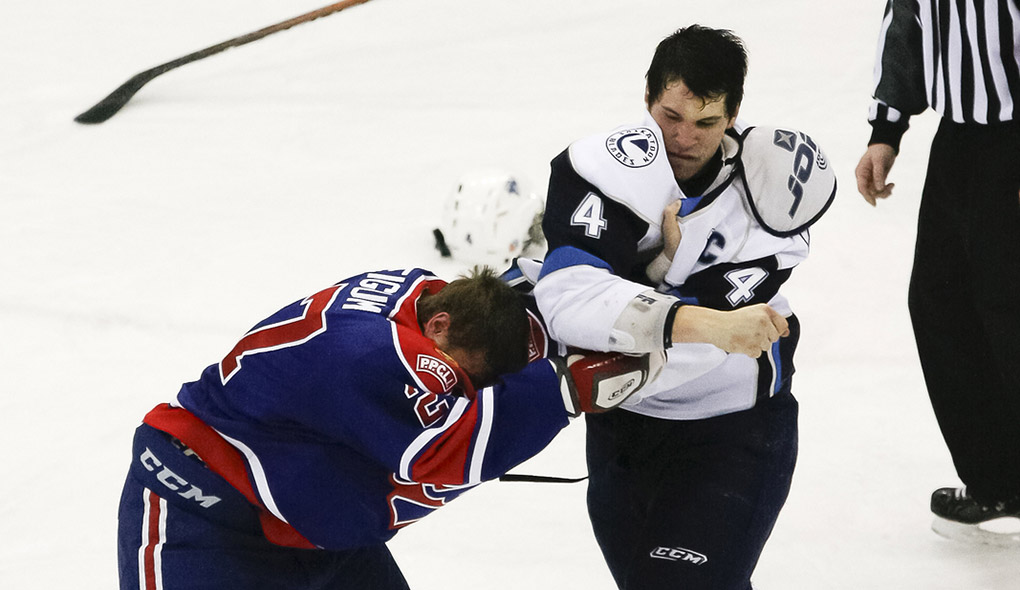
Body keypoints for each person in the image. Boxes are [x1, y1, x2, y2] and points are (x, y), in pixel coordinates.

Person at [117, 264, 783, 590]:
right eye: (461, 380)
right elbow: (453, 447)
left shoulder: (437, 303)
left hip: (314, 533)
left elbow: (526, 301)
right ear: (436, 330)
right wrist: (567, 389)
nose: (460, 394)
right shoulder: (376, 353)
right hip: (201, 518)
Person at [533, 25, 836, 589]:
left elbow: (728, 337)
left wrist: (643, 285)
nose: (684, 138)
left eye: (706, 122)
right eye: (671, 116)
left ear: (734, 116)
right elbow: (567, 299)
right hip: (622, 431)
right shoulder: (608, 166)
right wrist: (666, 275)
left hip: (733, 431)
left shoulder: (774, 194)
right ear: (648, 99)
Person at [855, 0, 1020, 541]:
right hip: (961, 143)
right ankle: (999, 480)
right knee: (941, 302)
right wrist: (886, 129)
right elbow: (905, 21)